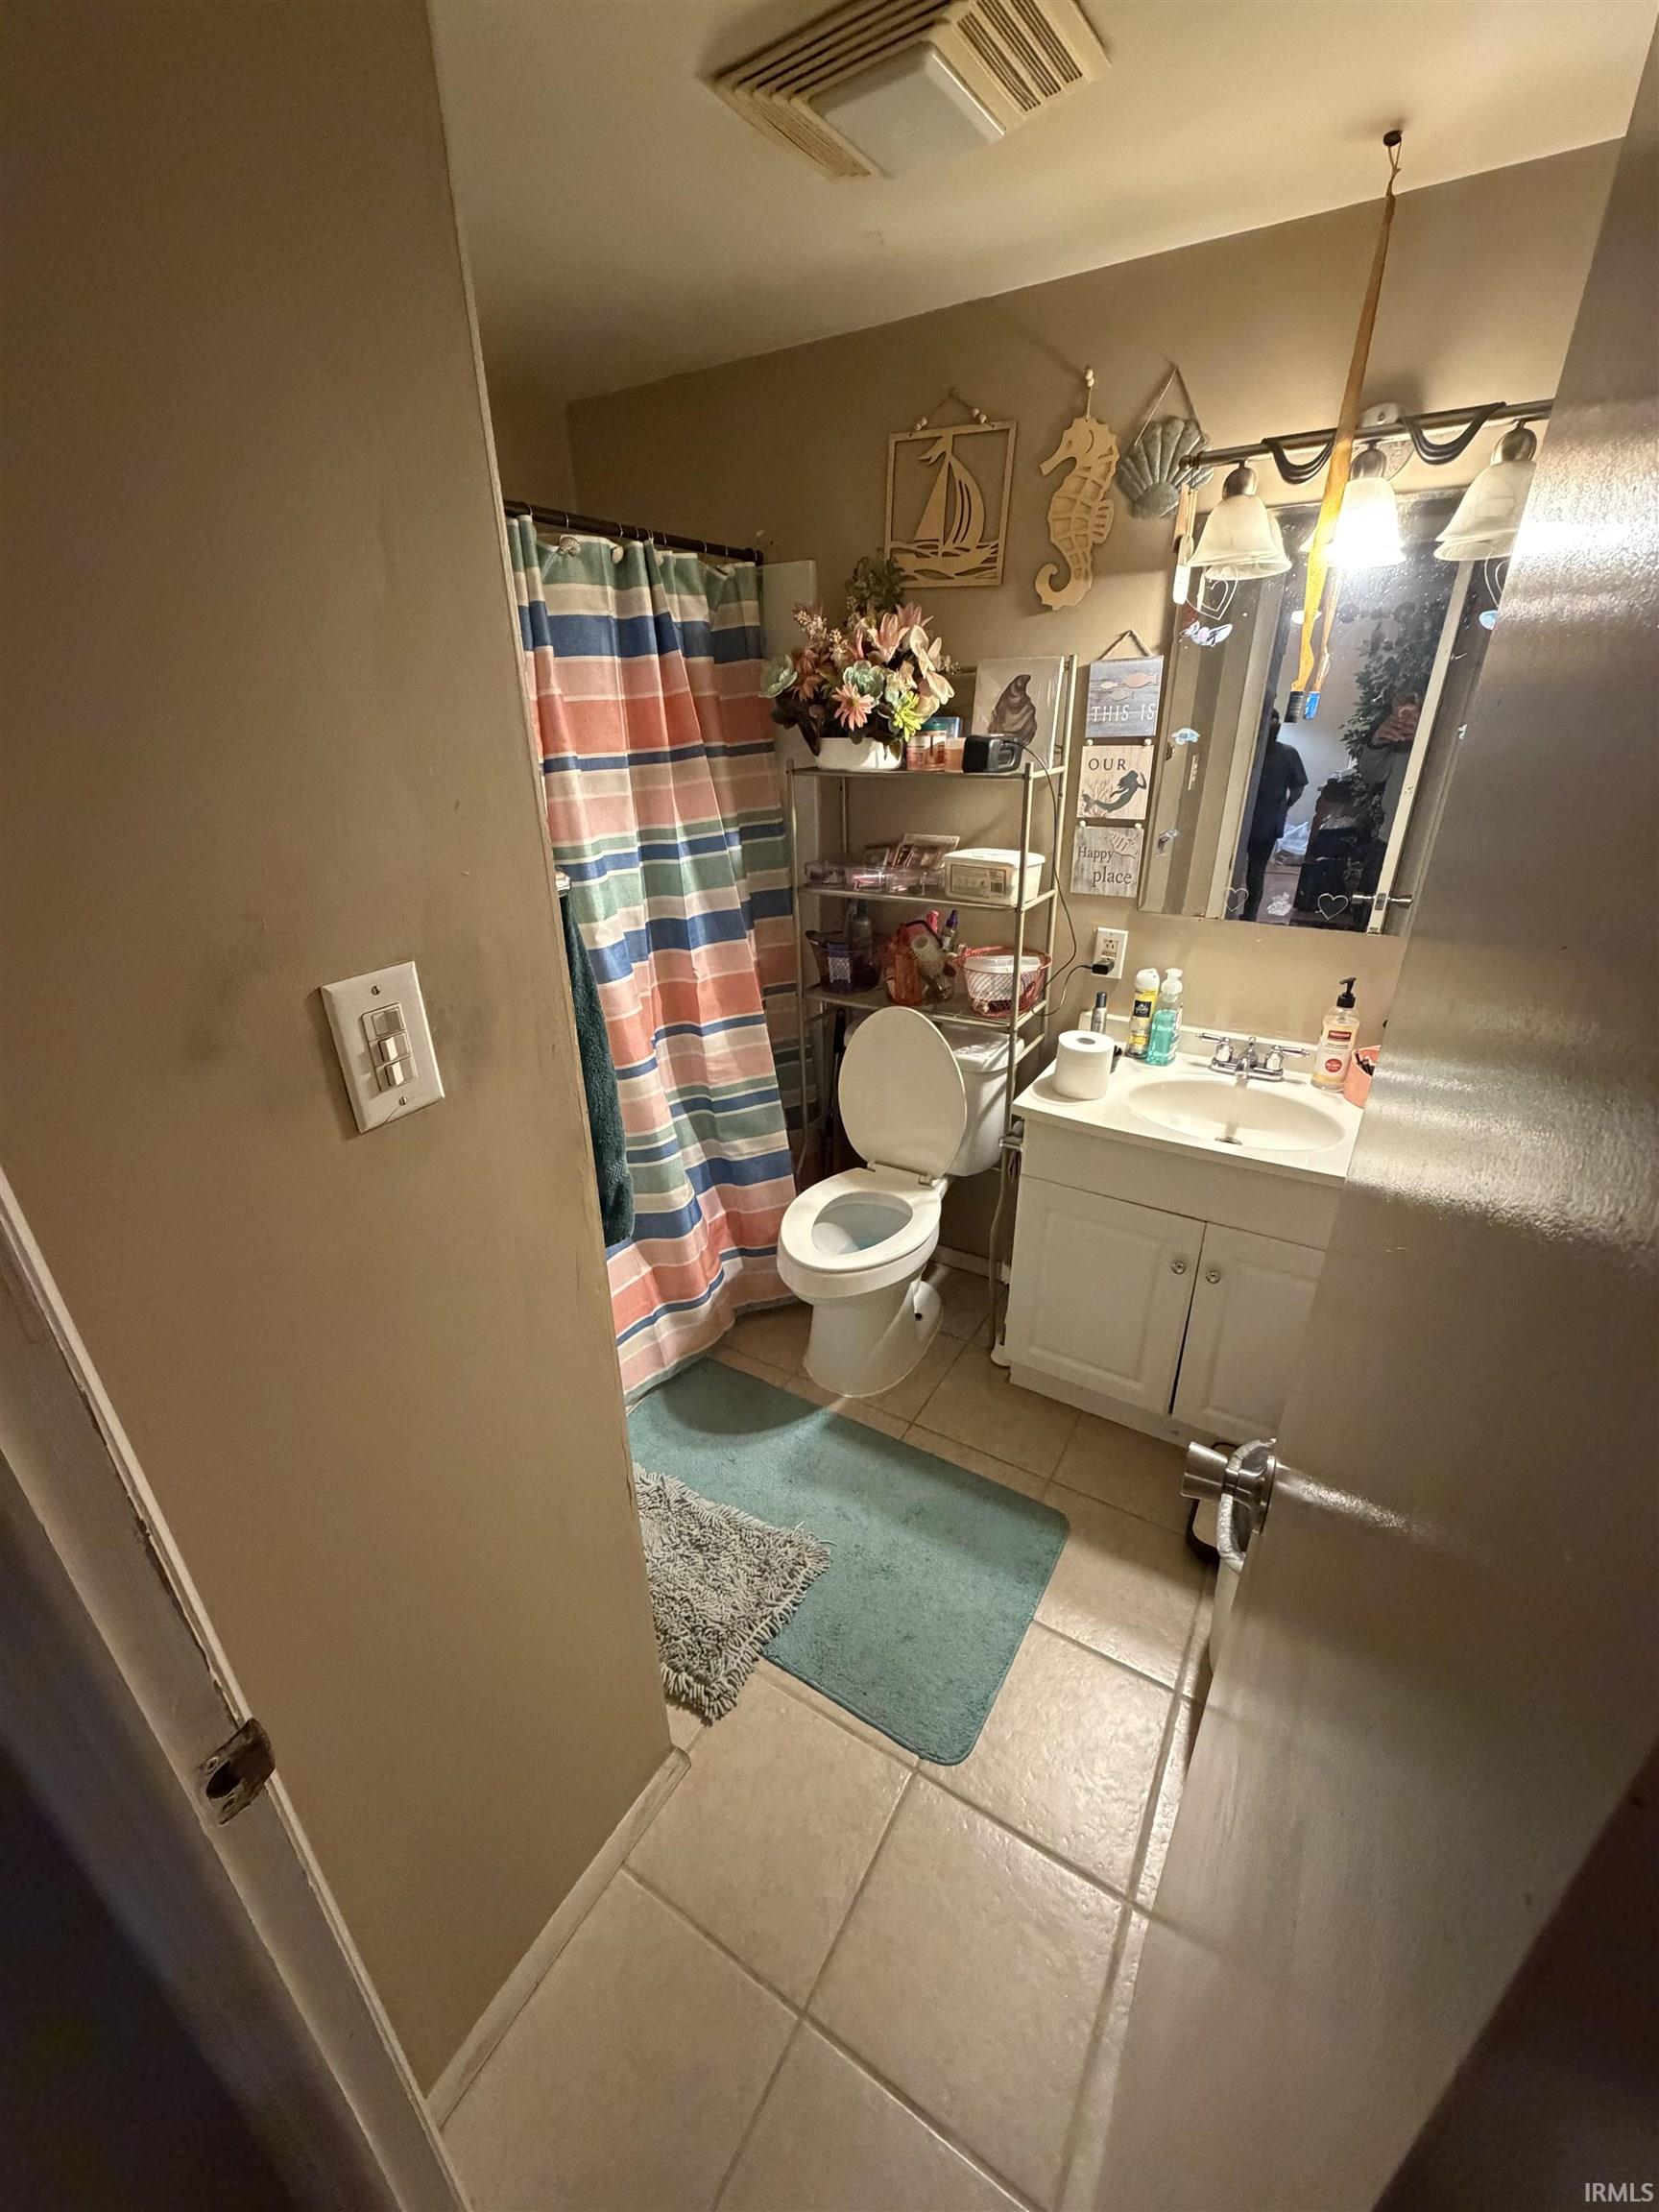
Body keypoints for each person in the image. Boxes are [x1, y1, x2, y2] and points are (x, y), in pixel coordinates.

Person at [1241, 711, 1308, 922]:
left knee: (1250, 868)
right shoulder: (1288, 754)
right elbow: (1297, 790)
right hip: (1267, 821)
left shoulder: (1246, 752)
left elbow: (1297, 789)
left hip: (1256, 821)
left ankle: (1248, 912)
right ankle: (1250, 914)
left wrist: (1282, 808)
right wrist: (1284, 807)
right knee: (1257, 869)